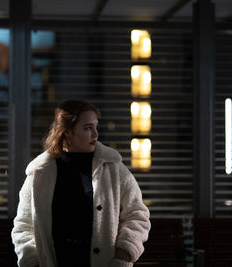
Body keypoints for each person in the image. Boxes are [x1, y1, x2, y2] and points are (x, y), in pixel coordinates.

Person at [11, 100, 150, 267]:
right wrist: (33, 261)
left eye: (96, 127)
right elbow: (23, 227)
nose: (95, 135)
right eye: (87, 128)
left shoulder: (113, 168)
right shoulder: (40, 173)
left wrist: (123, 256)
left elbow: (137, 215)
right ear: (68, 132)